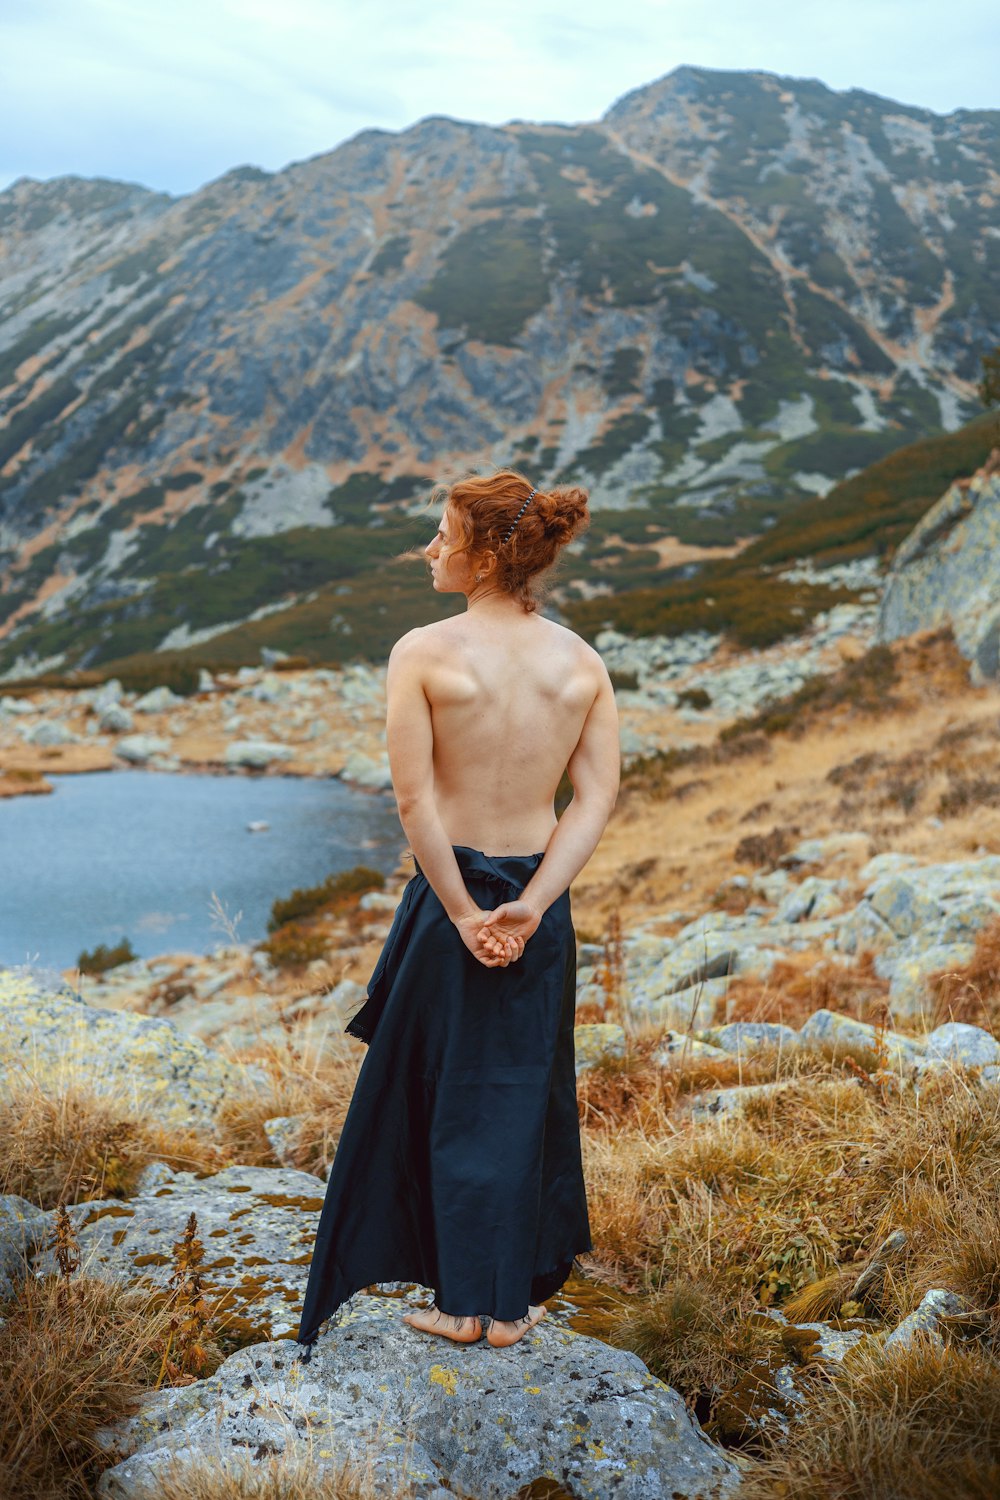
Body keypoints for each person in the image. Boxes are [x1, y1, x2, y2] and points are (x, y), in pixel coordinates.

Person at [295, 469, 620, 1359]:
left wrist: (465, 915)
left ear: (485, 554)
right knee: (520, 1101)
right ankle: (504, 1306)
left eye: (442, 534)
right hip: (535, 910)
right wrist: (531, 906)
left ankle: (464, 1301)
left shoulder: (423, 652)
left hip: (452, 906)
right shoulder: (582, 662)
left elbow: (414, 806)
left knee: (437, 1098)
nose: (428, 548)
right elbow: (593, 802)